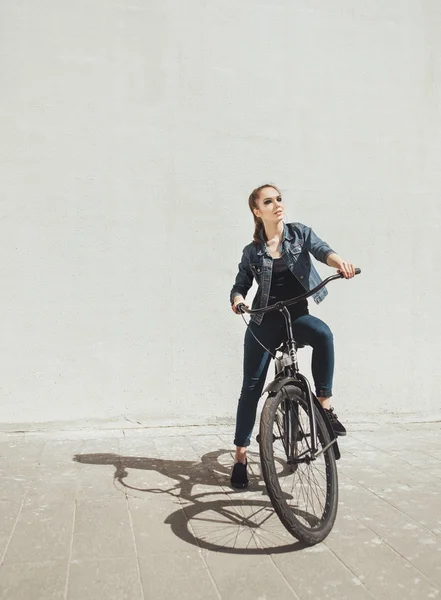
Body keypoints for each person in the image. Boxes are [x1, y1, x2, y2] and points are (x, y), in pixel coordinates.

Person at [229, 184, 356, 489]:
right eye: (269, 202)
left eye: (279, 199)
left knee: (323, 335)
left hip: (296, 315)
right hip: (264, 320)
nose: (277, 205)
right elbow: (240, 285)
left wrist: (340, 263)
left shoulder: (299, 234)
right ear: (258, 212)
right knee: (251, 388)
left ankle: (324, 406)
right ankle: (241, 456)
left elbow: (323, 250)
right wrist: (236, 300)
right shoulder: (253, 252)